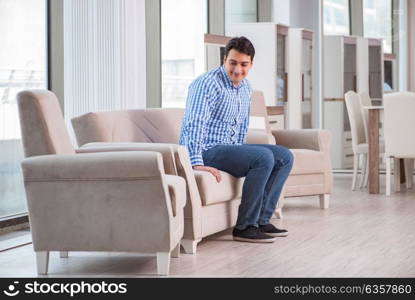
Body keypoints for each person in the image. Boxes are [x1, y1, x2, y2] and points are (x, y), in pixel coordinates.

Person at [179, 36, 294, 243]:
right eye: (233, 63)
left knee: (284, 156)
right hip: (207, 150)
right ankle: (244, 227)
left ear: (251, 64)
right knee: (263, 158)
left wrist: (242, 154)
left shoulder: (245, 88)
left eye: (243, 64)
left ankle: (261, 220)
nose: (237, 70)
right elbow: (193, 123)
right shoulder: (207, 84)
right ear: (225, 60)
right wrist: (195, 162)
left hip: (229, 149)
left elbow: (240, 128)